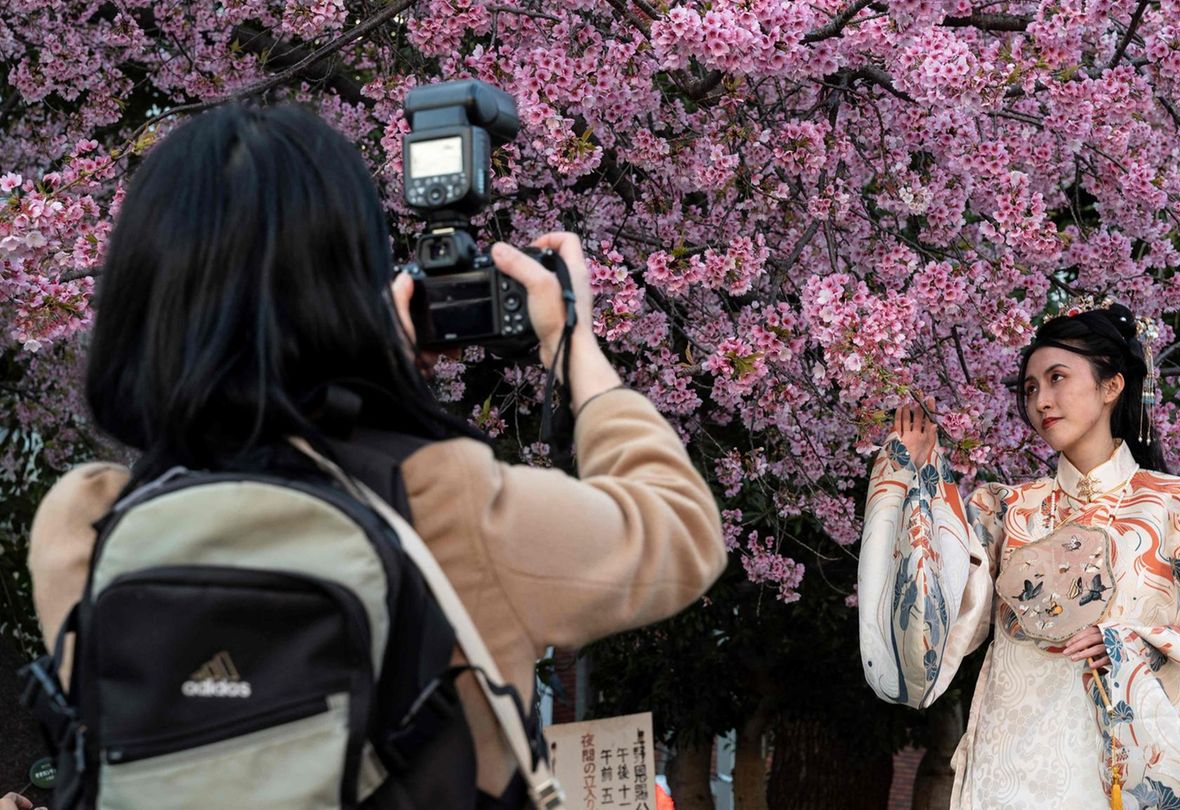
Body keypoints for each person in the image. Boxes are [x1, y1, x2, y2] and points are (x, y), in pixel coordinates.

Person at [27, 103, 727, 805]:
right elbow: (680, 528)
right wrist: (571, 344)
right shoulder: (446, 501)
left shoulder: (85, 526)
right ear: (348, 289)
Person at [857, 301, 1180, 809]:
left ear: (1111, 386)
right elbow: (937, 612)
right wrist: (912, 483)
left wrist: (1137, 645)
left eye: (1057, 378)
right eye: (1031, 387)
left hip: (1114, 773)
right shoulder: (1006, 510)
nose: (1042, 400)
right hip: (1008, 767)